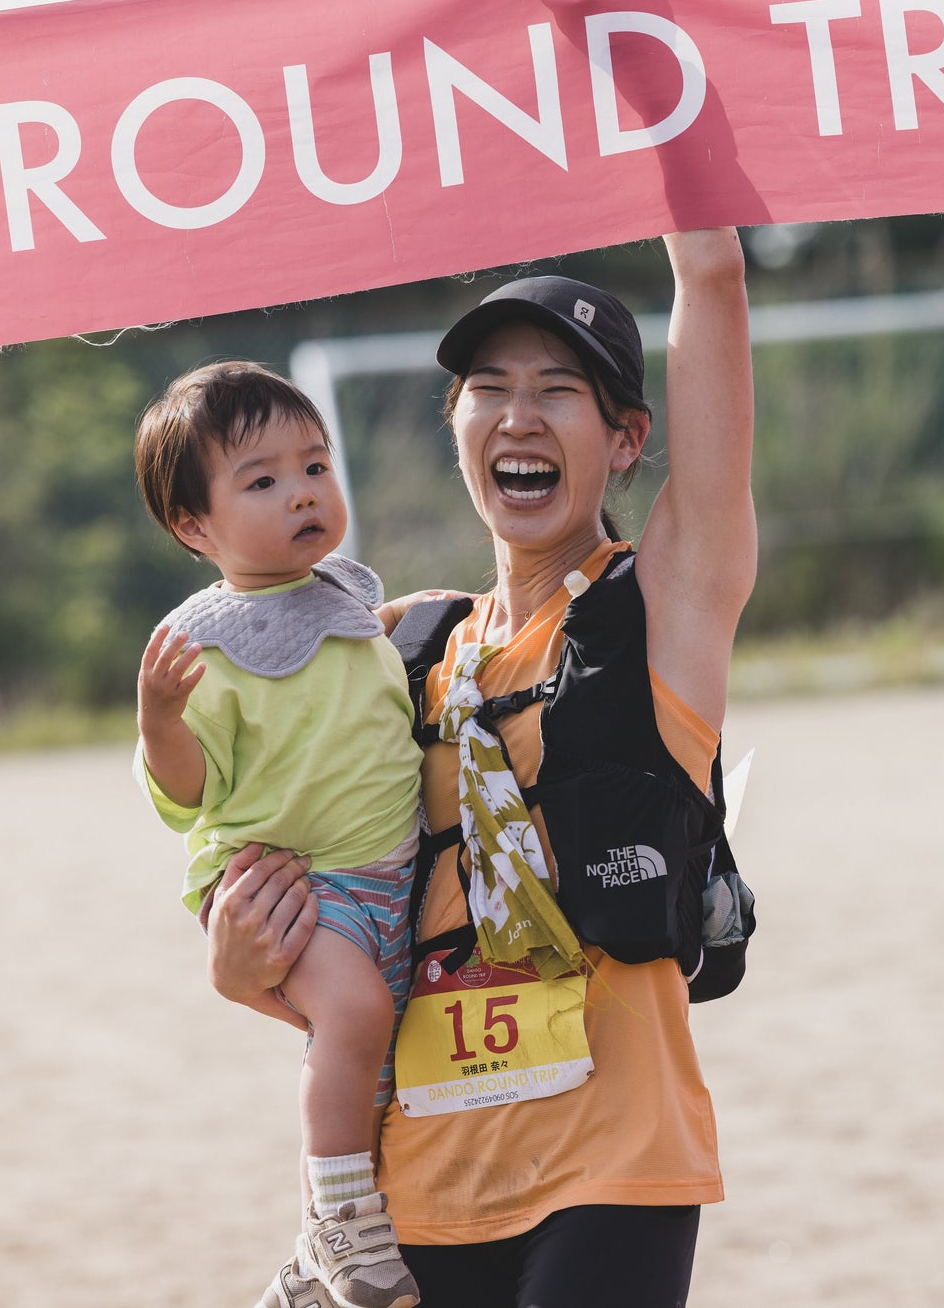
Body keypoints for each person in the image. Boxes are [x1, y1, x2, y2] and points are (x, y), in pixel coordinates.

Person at [208, 225, 756, 1308]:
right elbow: (346, 937)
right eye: (489, 389)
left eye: (558, 390)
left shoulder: (660, 613)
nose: (519, 416)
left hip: (611, 1171)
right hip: (417, 1193)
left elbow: (713, 286)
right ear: (456, 424)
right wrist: (241, 970)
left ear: (627, 440)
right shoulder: (389, 651)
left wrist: (703, 249)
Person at [134, 361, 467, 1308]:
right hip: (295, 888)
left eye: (315, 465)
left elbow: (351, 663)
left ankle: (308, 1277)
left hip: (383, 874)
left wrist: (411, 613)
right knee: (354, 1017)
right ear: (195, 526)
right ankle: (340, 1221)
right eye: (263, 480)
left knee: (384, 1078)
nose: (304, 492)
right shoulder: (204, 645)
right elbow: (187, 792)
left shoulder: (345, 598)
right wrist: (160, 720)